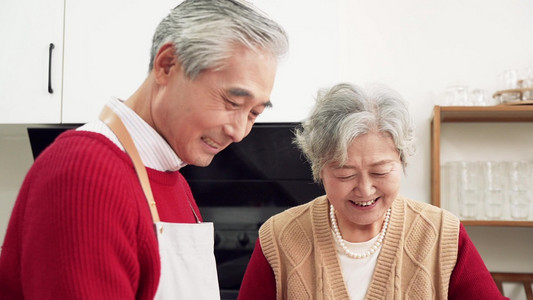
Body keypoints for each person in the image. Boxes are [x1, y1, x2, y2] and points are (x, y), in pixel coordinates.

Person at [0, 1, 288, 299]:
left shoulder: (173, 179)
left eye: (254, 113)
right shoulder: (84, 172)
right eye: (232, 102)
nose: (239, 132)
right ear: (167, 66)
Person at [238, 83, 508, 300]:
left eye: (380, 172)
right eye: (345, 174)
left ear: (401, 160)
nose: (365, 190)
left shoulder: (441, 233)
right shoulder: (279, 236)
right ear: (319, 169)